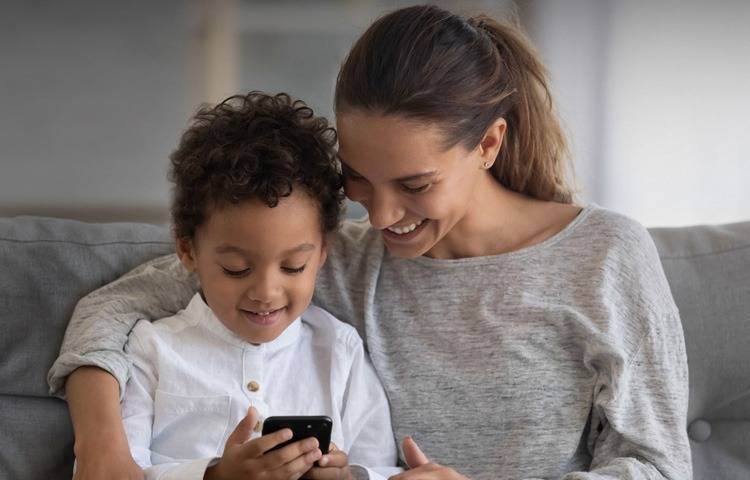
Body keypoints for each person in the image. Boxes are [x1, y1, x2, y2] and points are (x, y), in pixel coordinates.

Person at [48, 5, 692, 480]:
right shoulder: (330, 264)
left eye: (414, 183)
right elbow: (112, 309)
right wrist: (104, 449)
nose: (381, 215)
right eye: (357, 176)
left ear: (488, 144)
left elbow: (660, 468)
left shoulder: (606, 256)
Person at [91, 91, 399, 480]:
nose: (266, 292)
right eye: (236, 269)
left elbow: (385, 468)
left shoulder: (341, 352)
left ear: (323, 251)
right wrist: (214, 476)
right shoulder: (152, 350)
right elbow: (120, 470)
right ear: (187, 250)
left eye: (293, 266)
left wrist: (348, 477)